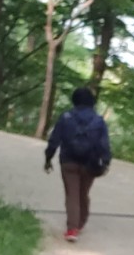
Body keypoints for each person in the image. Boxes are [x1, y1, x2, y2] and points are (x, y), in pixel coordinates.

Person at [44, 87, 112, 242]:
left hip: (68, 161)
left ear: (74, 100)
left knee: (72, 194)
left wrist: (48, 158)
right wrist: (106, 161)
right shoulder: (99, 121)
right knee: (83, 193)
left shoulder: (66, 117)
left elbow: (54, 140)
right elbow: (104, 144)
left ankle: (72, 229)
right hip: (90, 163)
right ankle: (81, 222)